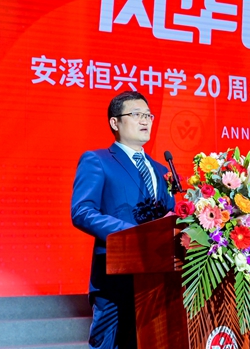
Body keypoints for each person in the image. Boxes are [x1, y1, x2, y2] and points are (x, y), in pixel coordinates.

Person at [71, 91, 175, 348]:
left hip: (158, 279)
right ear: (115, 122)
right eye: (136, 114)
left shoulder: (161, 169)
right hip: (115, 278)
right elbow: (82, 211)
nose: (145, 120)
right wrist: (131, 234)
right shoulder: (97, 160)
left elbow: (170, 217)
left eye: (148, 115)